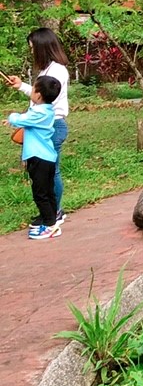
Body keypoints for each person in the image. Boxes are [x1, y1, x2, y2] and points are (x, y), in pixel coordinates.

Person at [7, 27, 70, 224]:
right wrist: (22, 86)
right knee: (49, 171)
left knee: (51, 171)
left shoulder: (57, 71)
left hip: (51, 126)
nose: (32, 51)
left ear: (42, 47)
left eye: (33, 47)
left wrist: (22, 118)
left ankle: (54, 213)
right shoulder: (48, 69)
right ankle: (51, 211)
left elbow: (45, 100)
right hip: (46, 125)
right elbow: (39, 95)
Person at [6, 75, 63, 239]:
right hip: (47, 158)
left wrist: (11, 117)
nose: (31, 91)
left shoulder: (39, 113)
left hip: (39, 158)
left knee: (40, 194)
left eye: (33, 88)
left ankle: (51, 226)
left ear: (38, 95)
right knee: (48, 192)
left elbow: (18, 119)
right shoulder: (47, 110)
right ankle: (52, 221)